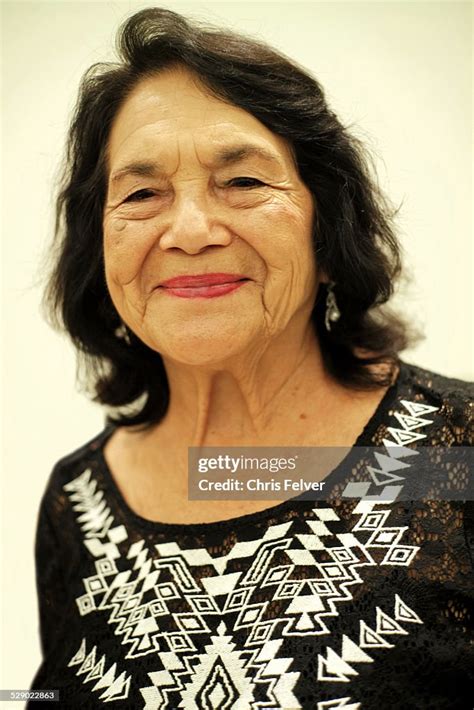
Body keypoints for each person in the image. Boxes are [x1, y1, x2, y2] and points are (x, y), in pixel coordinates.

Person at [28, 7, 472, 709]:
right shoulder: (74, 505)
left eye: (242, 182)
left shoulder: (459, 454)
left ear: (329, 231)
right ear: (101, 248)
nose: (192, 230)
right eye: (142, 193)